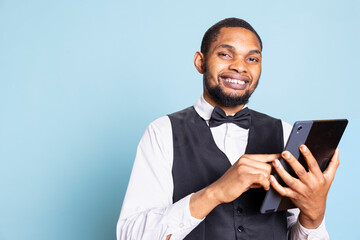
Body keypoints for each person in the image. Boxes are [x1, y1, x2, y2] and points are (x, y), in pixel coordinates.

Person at [117, 18, 338, 240]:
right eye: (225, 54)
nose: (240, 66)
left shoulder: (285, 132)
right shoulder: (162, 132)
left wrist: (314, 216)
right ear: (200, 61)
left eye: (252, 59)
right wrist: (214, 193)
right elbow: (130, 235)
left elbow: (297, 230)